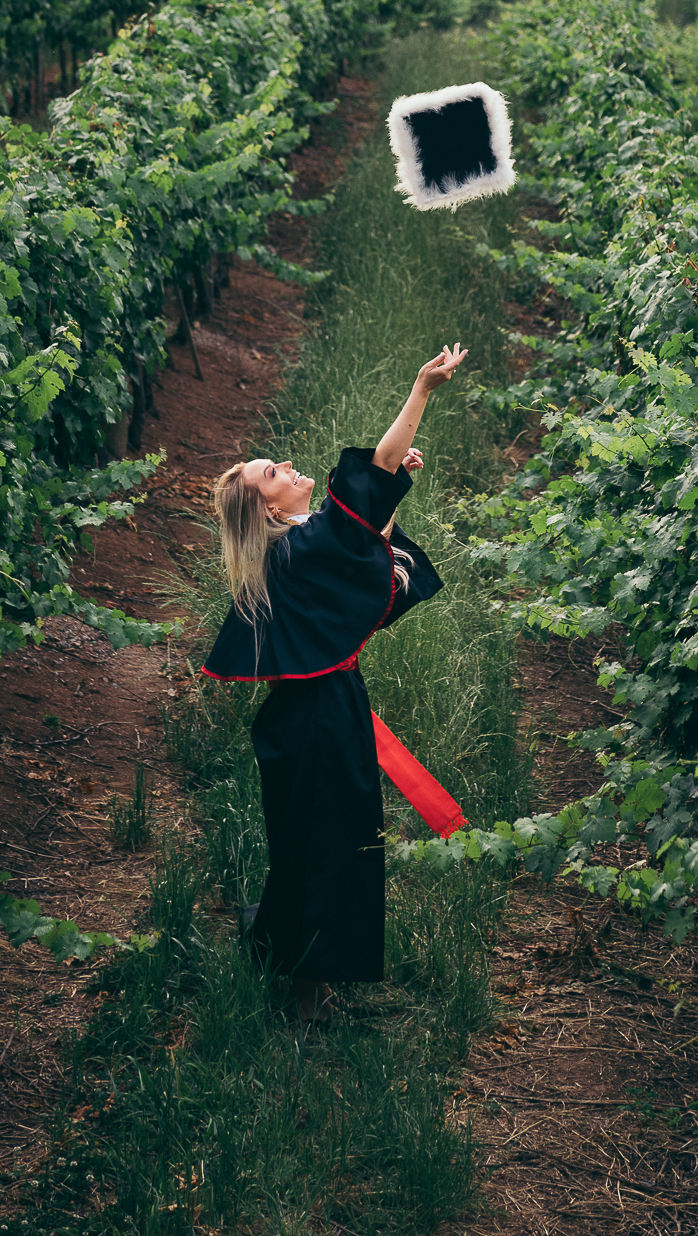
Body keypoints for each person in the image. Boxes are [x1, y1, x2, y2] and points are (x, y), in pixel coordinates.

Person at [203, 344, 467, 1021]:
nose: (288, 467)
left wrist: (383, 494)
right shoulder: (296, 546)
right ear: (266, 507)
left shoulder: (293, 547)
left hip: (315, 712)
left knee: (322, 840)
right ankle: (303, 994)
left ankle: (303, 975)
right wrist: (420, 390)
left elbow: (356, 551)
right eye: (273, 472)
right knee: (328, 844)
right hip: (318, 719)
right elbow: (368, 483)